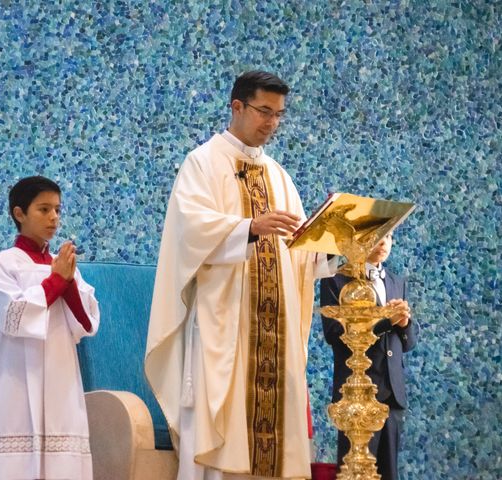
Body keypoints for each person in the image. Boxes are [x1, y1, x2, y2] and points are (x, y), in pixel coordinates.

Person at [145, 71, 337, 480]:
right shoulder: (203, 163)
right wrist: (248, 227)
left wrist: (337, 248)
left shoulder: (280, 176)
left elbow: (299, 253)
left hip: (275, 334)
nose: (271, 123)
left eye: (279, 115)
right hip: (225, 325)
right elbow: (188, 231)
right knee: (223, 432)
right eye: (264, 111)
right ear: (237, 106)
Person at [0, 176, 100, 480]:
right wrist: (57, 280)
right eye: (44, 209)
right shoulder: (4, 264)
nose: (54, 218)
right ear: (20, 214)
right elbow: (13, 318)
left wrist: (66, 280)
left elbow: (86, 323)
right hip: (15, 380)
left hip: (60, 380)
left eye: (57, 209)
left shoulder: (62, 264)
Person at [320, 233, 418, 480]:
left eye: (390, 236)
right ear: (360, 241)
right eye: (377, 237)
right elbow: (334, 333)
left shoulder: (397, 281)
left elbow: (408, 343)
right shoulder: (338, 280)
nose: (384, 243)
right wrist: (386, 321)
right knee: (356, 472)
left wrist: (404, 324)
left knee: (389, 472)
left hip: (392, 392)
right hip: (356, 394)